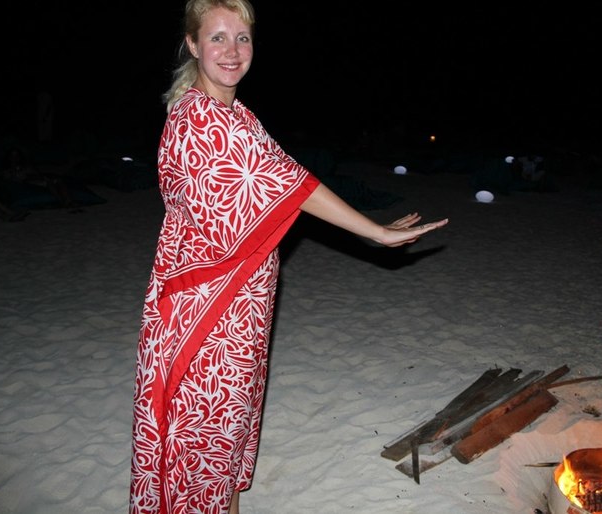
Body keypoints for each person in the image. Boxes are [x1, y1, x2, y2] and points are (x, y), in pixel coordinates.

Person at [128, 1, 448, 513]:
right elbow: (291, 187)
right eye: (217, 37)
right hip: (209, 319)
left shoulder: (236, 114)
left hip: (240, 310)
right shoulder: (200, 118)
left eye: (242, 37)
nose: (232, 51)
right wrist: (374, 232)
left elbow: (286, 175)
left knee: (225, 443)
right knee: (203, 450)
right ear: (192, 44)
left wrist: (373, 225)